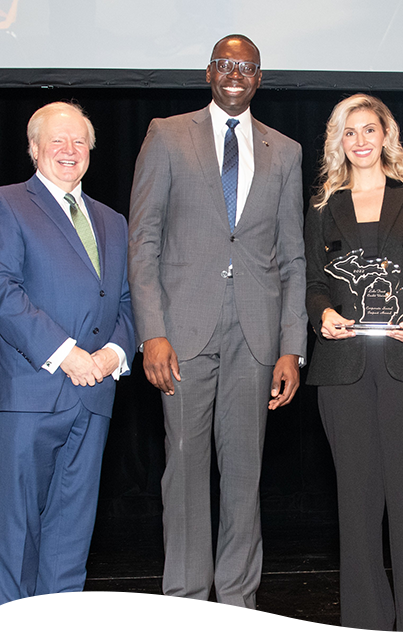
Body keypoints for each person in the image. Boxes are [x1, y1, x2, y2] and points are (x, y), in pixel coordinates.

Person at [128, 34, 307, 632]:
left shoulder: (284, 151)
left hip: (256, 336)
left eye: (247, 67)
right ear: (209, 72)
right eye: (226, 64)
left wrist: (291, 347)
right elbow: (144, 239)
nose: (236, 74)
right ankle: (181, 607)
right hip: (182, 334)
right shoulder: (166, 133)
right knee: (183, 467)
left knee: (244, 473)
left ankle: (237, 606)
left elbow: (292, 259)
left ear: (260, 78)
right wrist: (151, 331)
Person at [305, 93, 403, 632]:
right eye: (349, 132)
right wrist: (321, 315)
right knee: (357, 509)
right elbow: (314, 285)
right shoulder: (322, 206)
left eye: (370, 129)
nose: (361, 140)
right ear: (337, 142)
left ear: (386, 135)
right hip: (343, 372)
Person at [0, 101, 135, 632]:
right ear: (33, 149)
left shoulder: (113, 220)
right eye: (56, 140)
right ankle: (15, 622)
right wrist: (67, 354)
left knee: (74, 520)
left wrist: (113, 355)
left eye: (78, 141)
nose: (68, 150)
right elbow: (4, 290)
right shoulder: (9, 204)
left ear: (90, 151)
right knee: (18, 522)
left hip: (96, 391)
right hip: (31, 391)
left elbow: (126, 302)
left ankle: (60, 619)